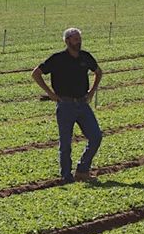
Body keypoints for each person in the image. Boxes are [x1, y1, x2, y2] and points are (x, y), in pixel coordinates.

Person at [31, 27, 103, 184]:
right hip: (65, 105)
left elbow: (99, 72)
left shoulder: (85, 57)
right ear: (67, 41)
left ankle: (82, 170)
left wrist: (91, 92)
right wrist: (50, 94)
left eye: (80, 38)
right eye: (75, 39)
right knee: (65, 143)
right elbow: (36, 73)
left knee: (96, 136)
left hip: (83, 104)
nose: (79, 41)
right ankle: (66, 176)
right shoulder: (57, 59)